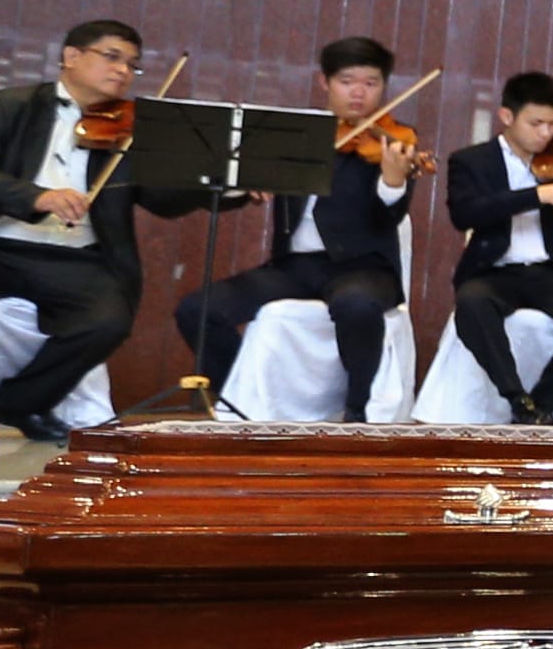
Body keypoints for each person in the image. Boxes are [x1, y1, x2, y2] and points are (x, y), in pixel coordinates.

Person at [0, 16, 213, 445]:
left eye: (133, 65)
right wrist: (35, 197)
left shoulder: (132, 128)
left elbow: (161, 199)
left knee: (107, 321)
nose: (123, 71)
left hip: (79, 258)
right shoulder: (10, 105)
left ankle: (22, 402)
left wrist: (220, 189)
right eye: (112, 57)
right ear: (71, 57)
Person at [174, 36, 422, 415]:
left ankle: (357, 411)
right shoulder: (295, 135)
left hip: (364, 265)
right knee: (197, 309)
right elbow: (243, 187)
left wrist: (392, 181)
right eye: (347, 81)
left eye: (371, 83)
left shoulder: (394, 141)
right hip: (295, 267)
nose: (359, 93)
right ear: (324, 82)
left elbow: (389, 215)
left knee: (357, 305)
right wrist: (248, 186)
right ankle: (231, 397)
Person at [441, 69, 553, 423]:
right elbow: (465, 214)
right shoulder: (472, 160)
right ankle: (515, 395)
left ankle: (539, 405)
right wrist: (535, 195)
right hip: (494, 271)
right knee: (472, 305)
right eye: (536, 123)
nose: (546, 134)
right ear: (507, 117)